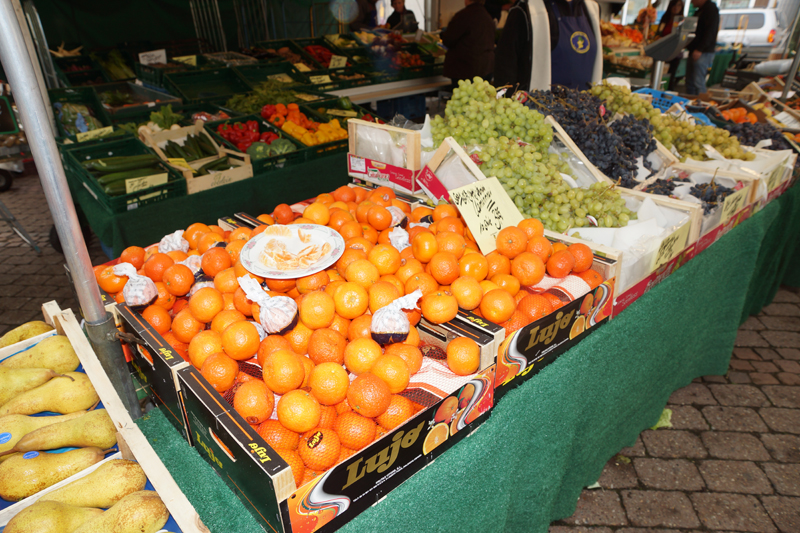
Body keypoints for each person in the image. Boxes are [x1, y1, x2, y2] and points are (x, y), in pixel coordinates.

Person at [493, 0, 602, 91]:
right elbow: (504, 70)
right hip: (543, 112)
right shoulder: (525, 10)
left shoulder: (592, 9)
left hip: (586, 112)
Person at [441, 0, 496, 88]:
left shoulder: (463, 15)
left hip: (466, 68)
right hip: (486, 67)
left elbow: (448, 39)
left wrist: (443, 35)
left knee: (464, 98)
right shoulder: (487, 16)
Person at [684, 0, 719, 95]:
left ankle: (701, 105)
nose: (691, 2)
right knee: (690, 82)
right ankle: (690, 104)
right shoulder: (699, 10)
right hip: (695, 50)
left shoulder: (710, 9)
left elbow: (710, 32)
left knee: (698, 82)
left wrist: (700, 49)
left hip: (702, 52)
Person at [658, 0, 685, 91]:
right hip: (662, 52)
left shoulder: (682, 20)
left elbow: (682, 37)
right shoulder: (665, 18)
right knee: (660, 76)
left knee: (670, 78)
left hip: (674, 53)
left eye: (679, 5)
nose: (676, 7)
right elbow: (659, 33)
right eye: (674, 5)